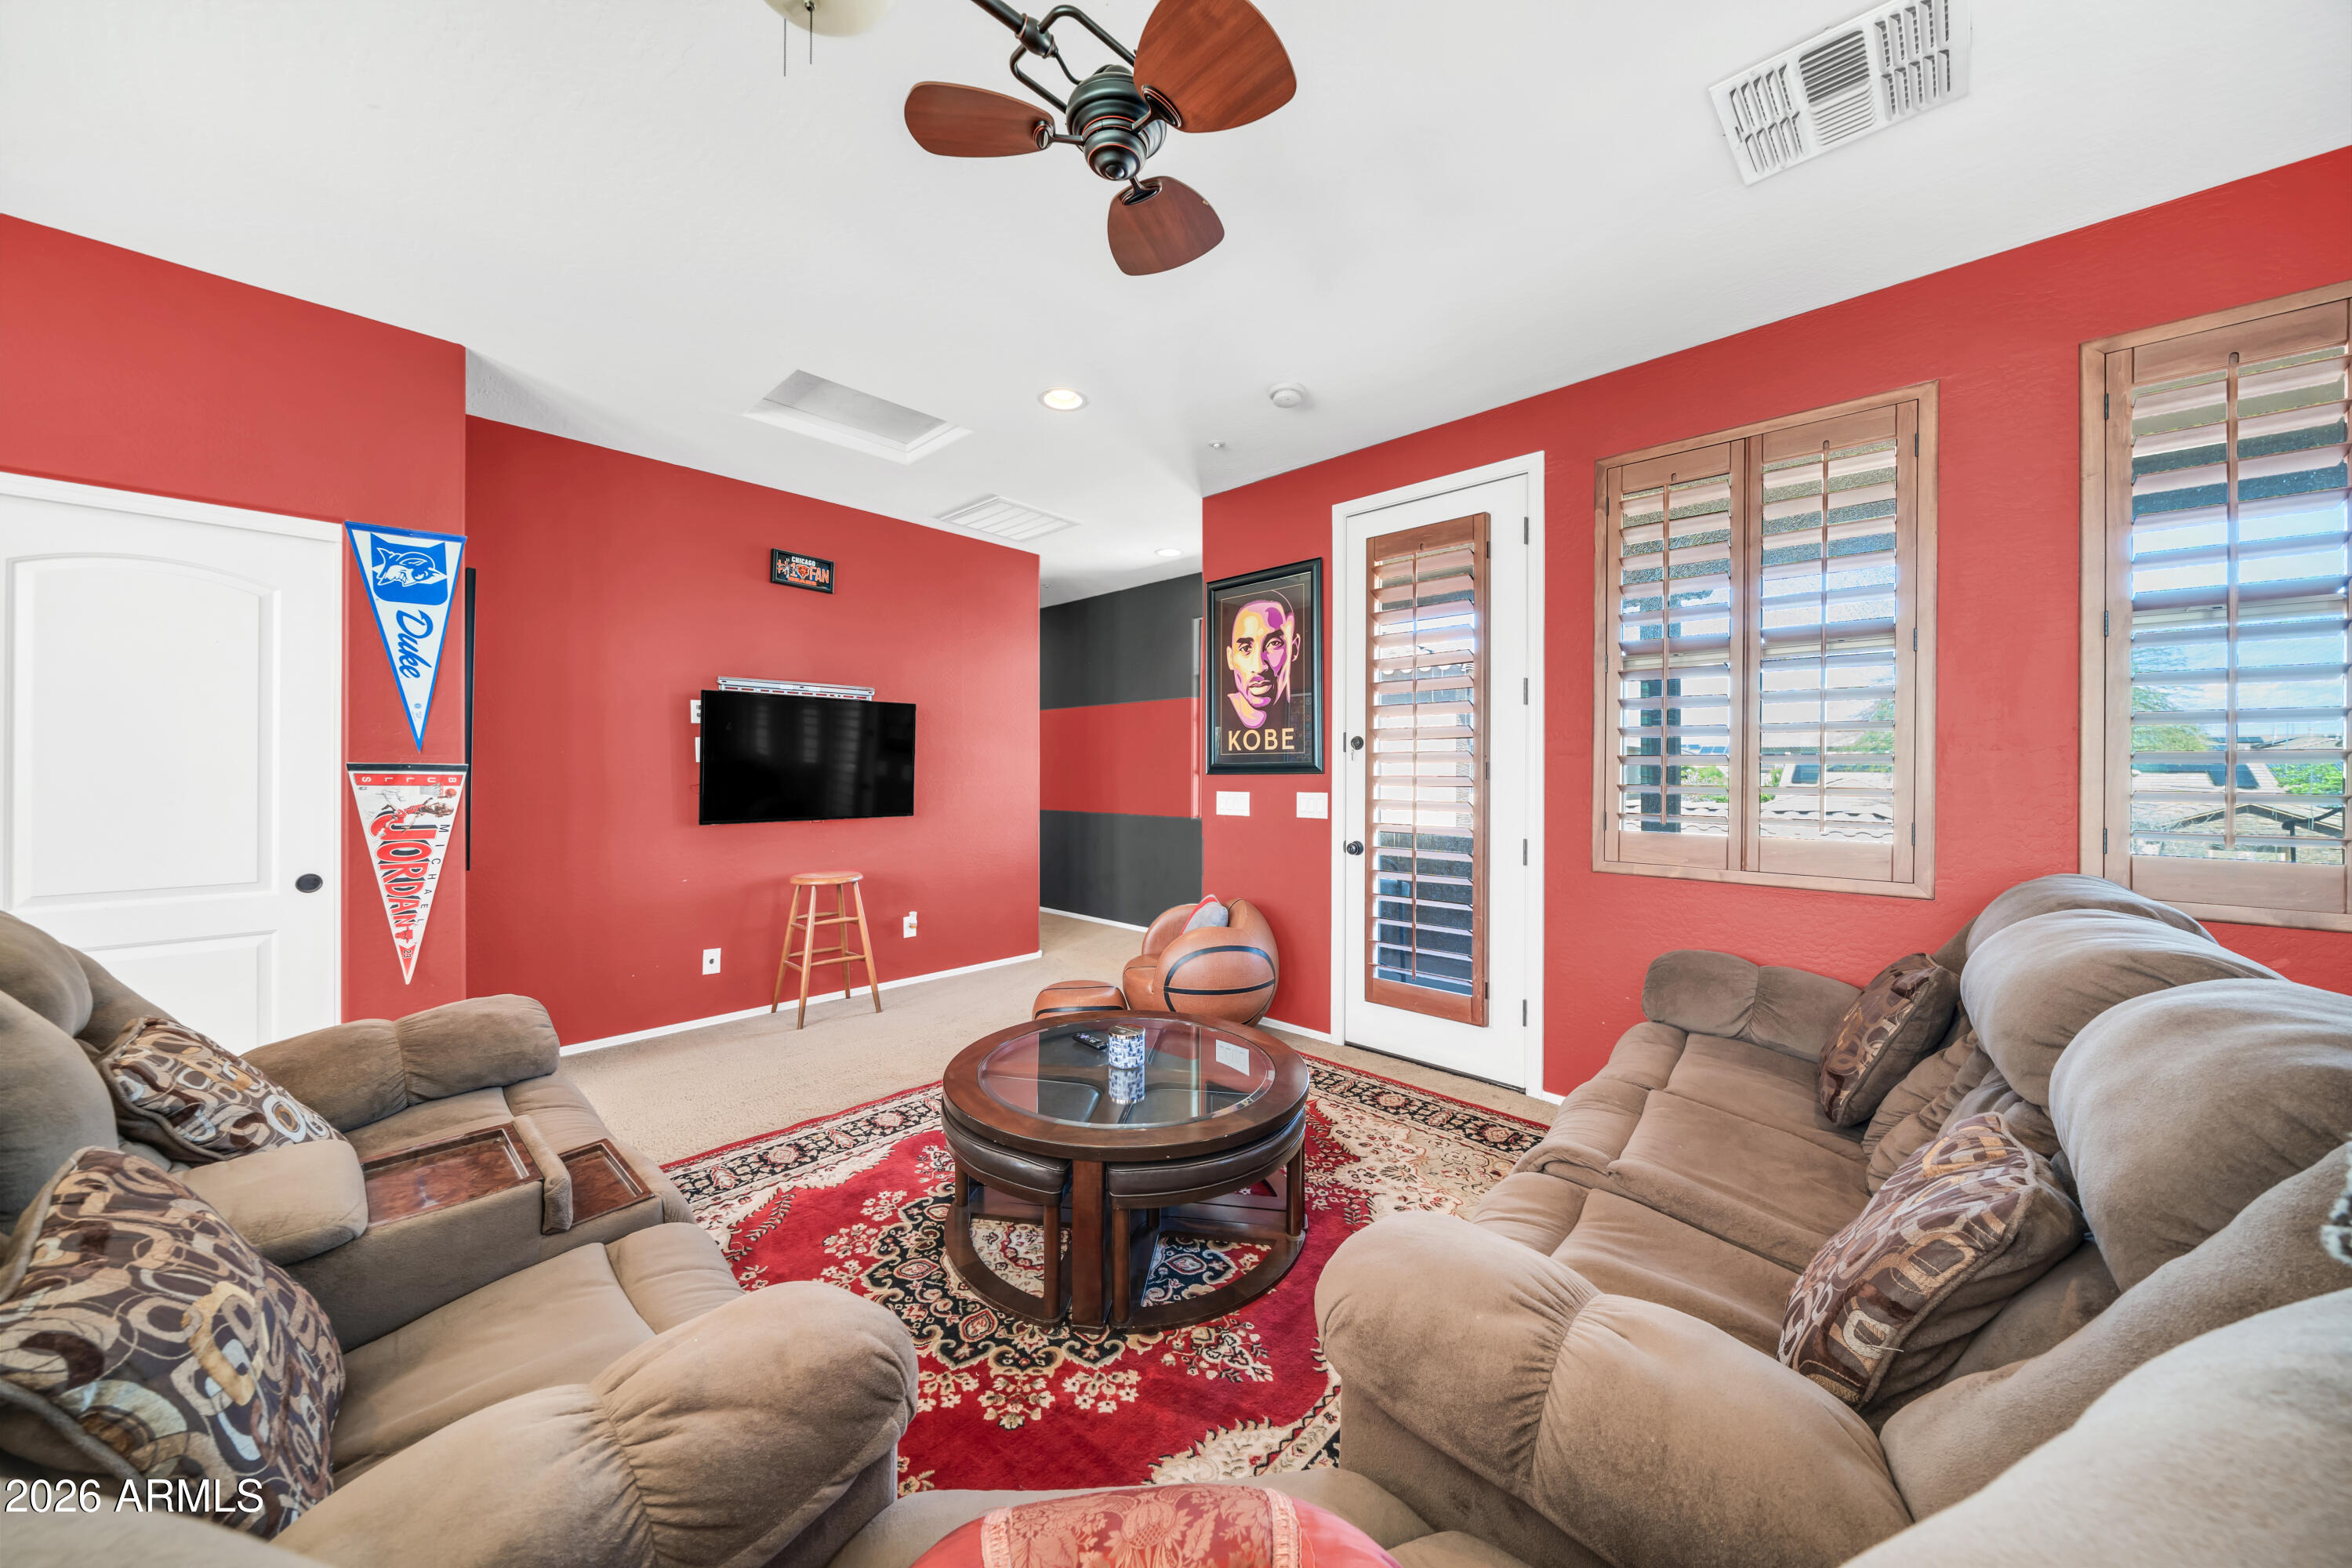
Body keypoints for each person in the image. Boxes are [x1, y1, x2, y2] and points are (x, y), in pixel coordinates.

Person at [1225, 594, 1294, 733]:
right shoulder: (1218, 713)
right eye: (1245, 648)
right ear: (1230, 659)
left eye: (1274, 644)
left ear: (1294, 649)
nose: (1259, 667)